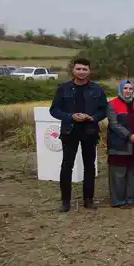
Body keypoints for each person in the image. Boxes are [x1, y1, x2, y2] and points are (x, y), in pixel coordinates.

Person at [49, 58, 108, 212]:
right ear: (73, 70)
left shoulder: (97, 89)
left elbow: (104, 110)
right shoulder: (63, 88)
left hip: (90, 131)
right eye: (79, 69)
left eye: (85, 69)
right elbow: (54, 110)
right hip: (70, 131)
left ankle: (88, 199)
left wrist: (93, 117)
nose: (82, 72)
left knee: (89, 166)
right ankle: (65, 201)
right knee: (67, 165)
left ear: (89, 71)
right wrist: (70, 116)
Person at [106, 80, 134, 208]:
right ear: (120, 89)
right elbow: (114, 124)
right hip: (119, 145)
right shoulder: (112, 104)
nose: (128, 91)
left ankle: (131, 199)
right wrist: (129, 136)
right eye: (125, 88)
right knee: (118, 174)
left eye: (130, 88)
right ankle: (118, 200)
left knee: (133, 173)